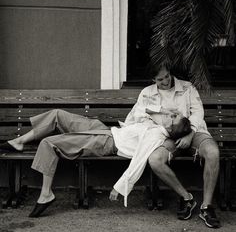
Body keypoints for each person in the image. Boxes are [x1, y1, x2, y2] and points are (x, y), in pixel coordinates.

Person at [0, 90, 191, 217]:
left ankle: (46, 193)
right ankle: (19, 141)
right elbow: (141, 108)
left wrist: (120, 187)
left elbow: (139, 162)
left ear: (171, 127)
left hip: (105, 142)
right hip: (104, 130)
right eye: (174, 114)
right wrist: (165, 110)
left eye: (174, 117)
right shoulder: (159, 123)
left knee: (48, 143)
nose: (172, 114)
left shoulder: (156, 136)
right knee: (57, 114)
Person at [145, 64, 221, 229]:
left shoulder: (187, 87)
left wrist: (190, 133)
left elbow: (198, 112)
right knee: (155, 160)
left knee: (213, 153)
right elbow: (140, 114)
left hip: (194, 132)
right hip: (169, 135)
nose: (165, 81)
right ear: (153, 80)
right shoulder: (147, 93)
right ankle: (187, 198)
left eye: (167, 76)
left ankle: (206, 207)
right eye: (160, 79)